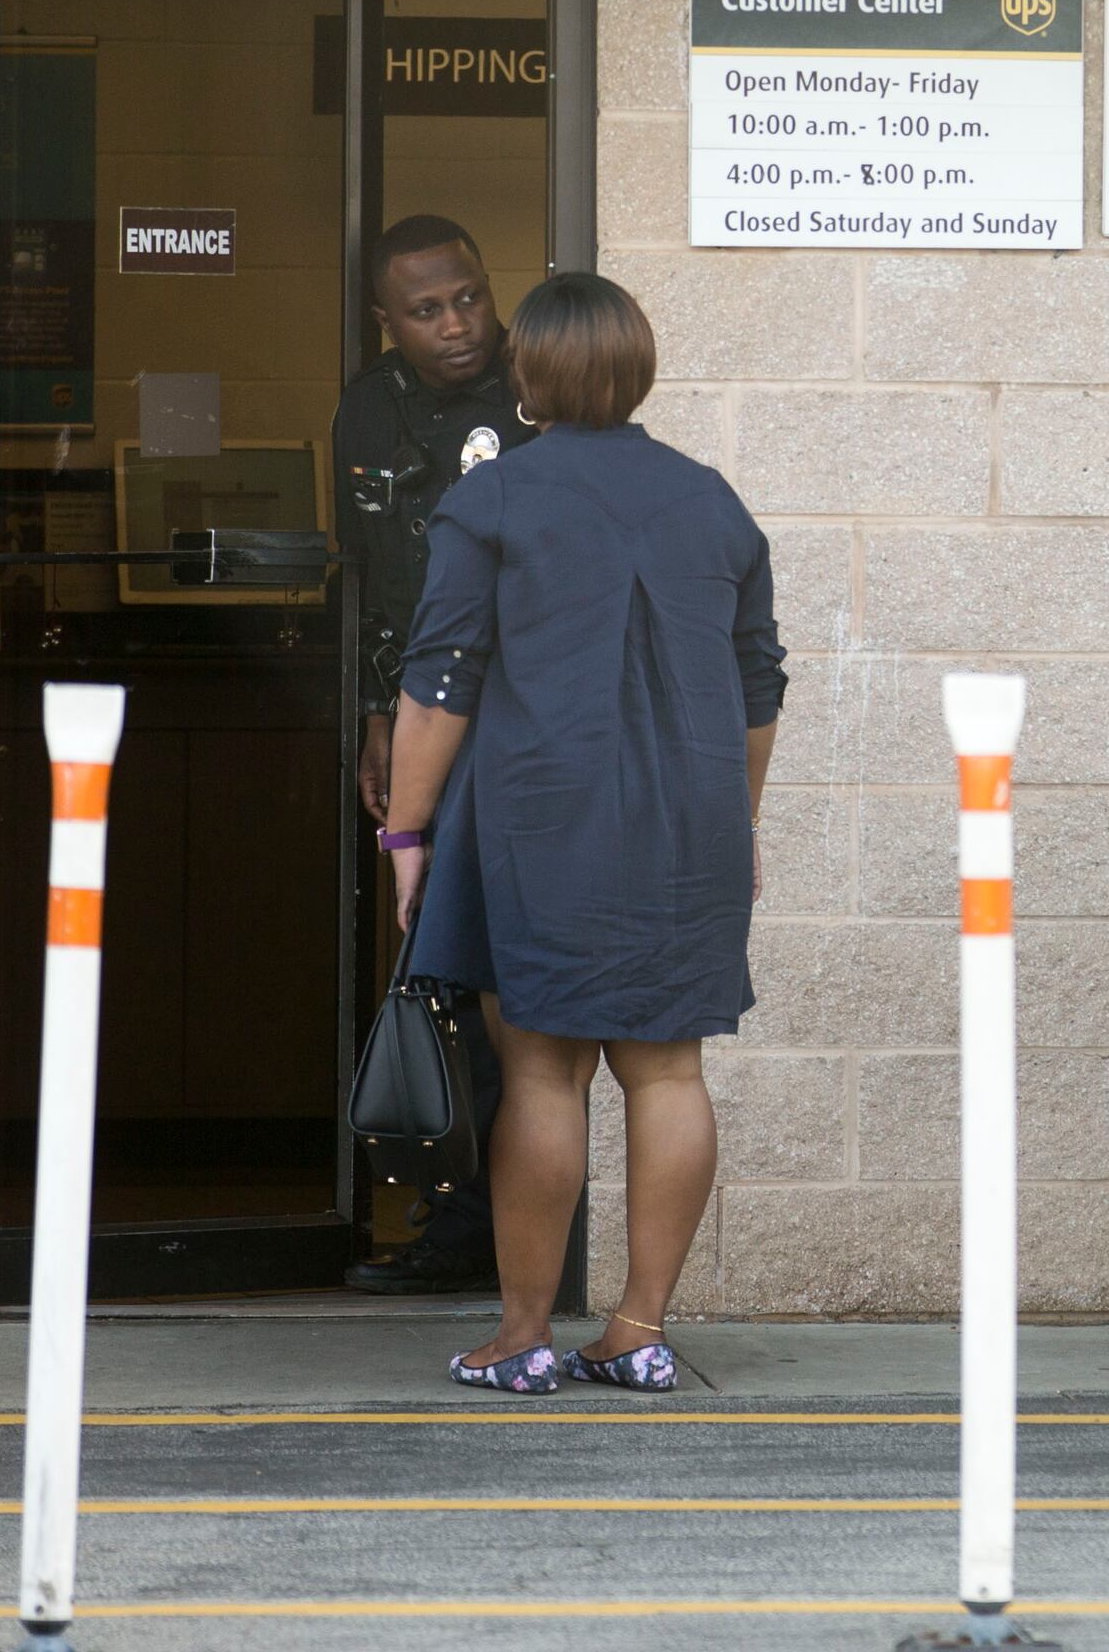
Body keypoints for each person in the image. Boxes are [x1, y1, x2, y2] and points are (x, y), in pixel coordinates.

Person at [381, 272, 784, 1397]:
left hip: (541, 815)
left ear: (528, 376)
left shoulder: (494, 500)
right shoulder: (713, 500)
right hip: (691, 816)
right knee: (667, 1068)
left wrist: (405, 836)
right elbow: (759, 686)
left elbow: (439, 685)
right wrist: (735, 816)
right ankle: (641, 1328)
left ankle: (522, 1337)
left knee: (544, 1069)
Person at [334, 213, 534, 1295]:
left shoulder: (533, 388)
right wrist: (376, 717)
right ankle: (458, 1225)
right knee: (443, 974)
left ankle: (510, 1238)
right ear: (387, 319)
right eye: (426, 309)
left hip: (522, 720)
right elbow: (366, 572)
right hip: (421, 720)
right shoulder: (368, 405)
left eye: (467, 297)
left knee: (505, 987)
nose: (456, 325)